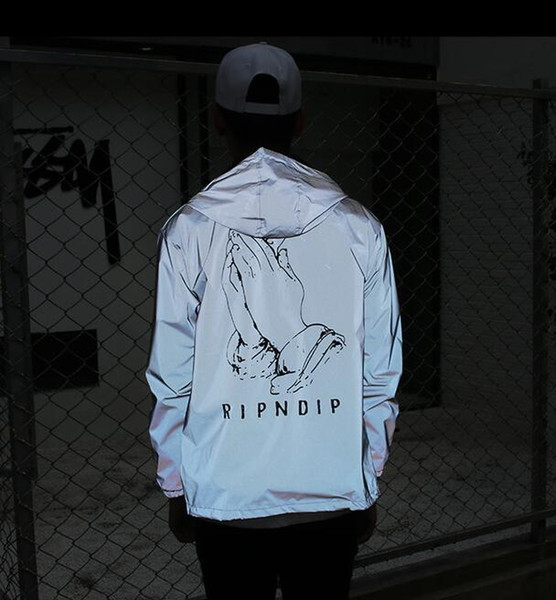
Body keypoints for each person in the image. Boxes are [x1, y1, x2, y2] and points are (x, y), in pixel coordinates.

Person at [146, 42, 403, 600]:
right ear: (301, 119)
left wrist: (176, 484)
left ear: (217, 119)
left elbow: (173, 377)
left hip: (226, 496)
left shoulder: (189, 230)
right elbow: (379, 374)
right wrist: (367, 476)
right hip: (329, 490)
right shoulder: (360, 227)